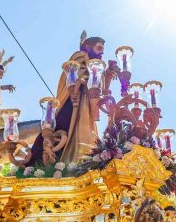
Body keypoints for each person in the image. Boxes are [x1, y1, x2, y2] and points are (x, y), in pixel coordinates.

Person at [28, 34, 115, 165]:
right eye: (99, 48)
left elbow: (97, 90)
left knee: (86, 131)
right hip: (74, 99)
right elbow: (75, 75)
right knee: (64, 125)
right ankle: (48, 160)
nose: (101, 52)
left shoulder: (96, 65)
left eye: (102, 50)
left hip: (86, 103)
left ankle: (83, 160)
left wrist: (106, 77)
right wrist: (80, 83)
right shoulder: (80, 57)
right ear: (87, 46)